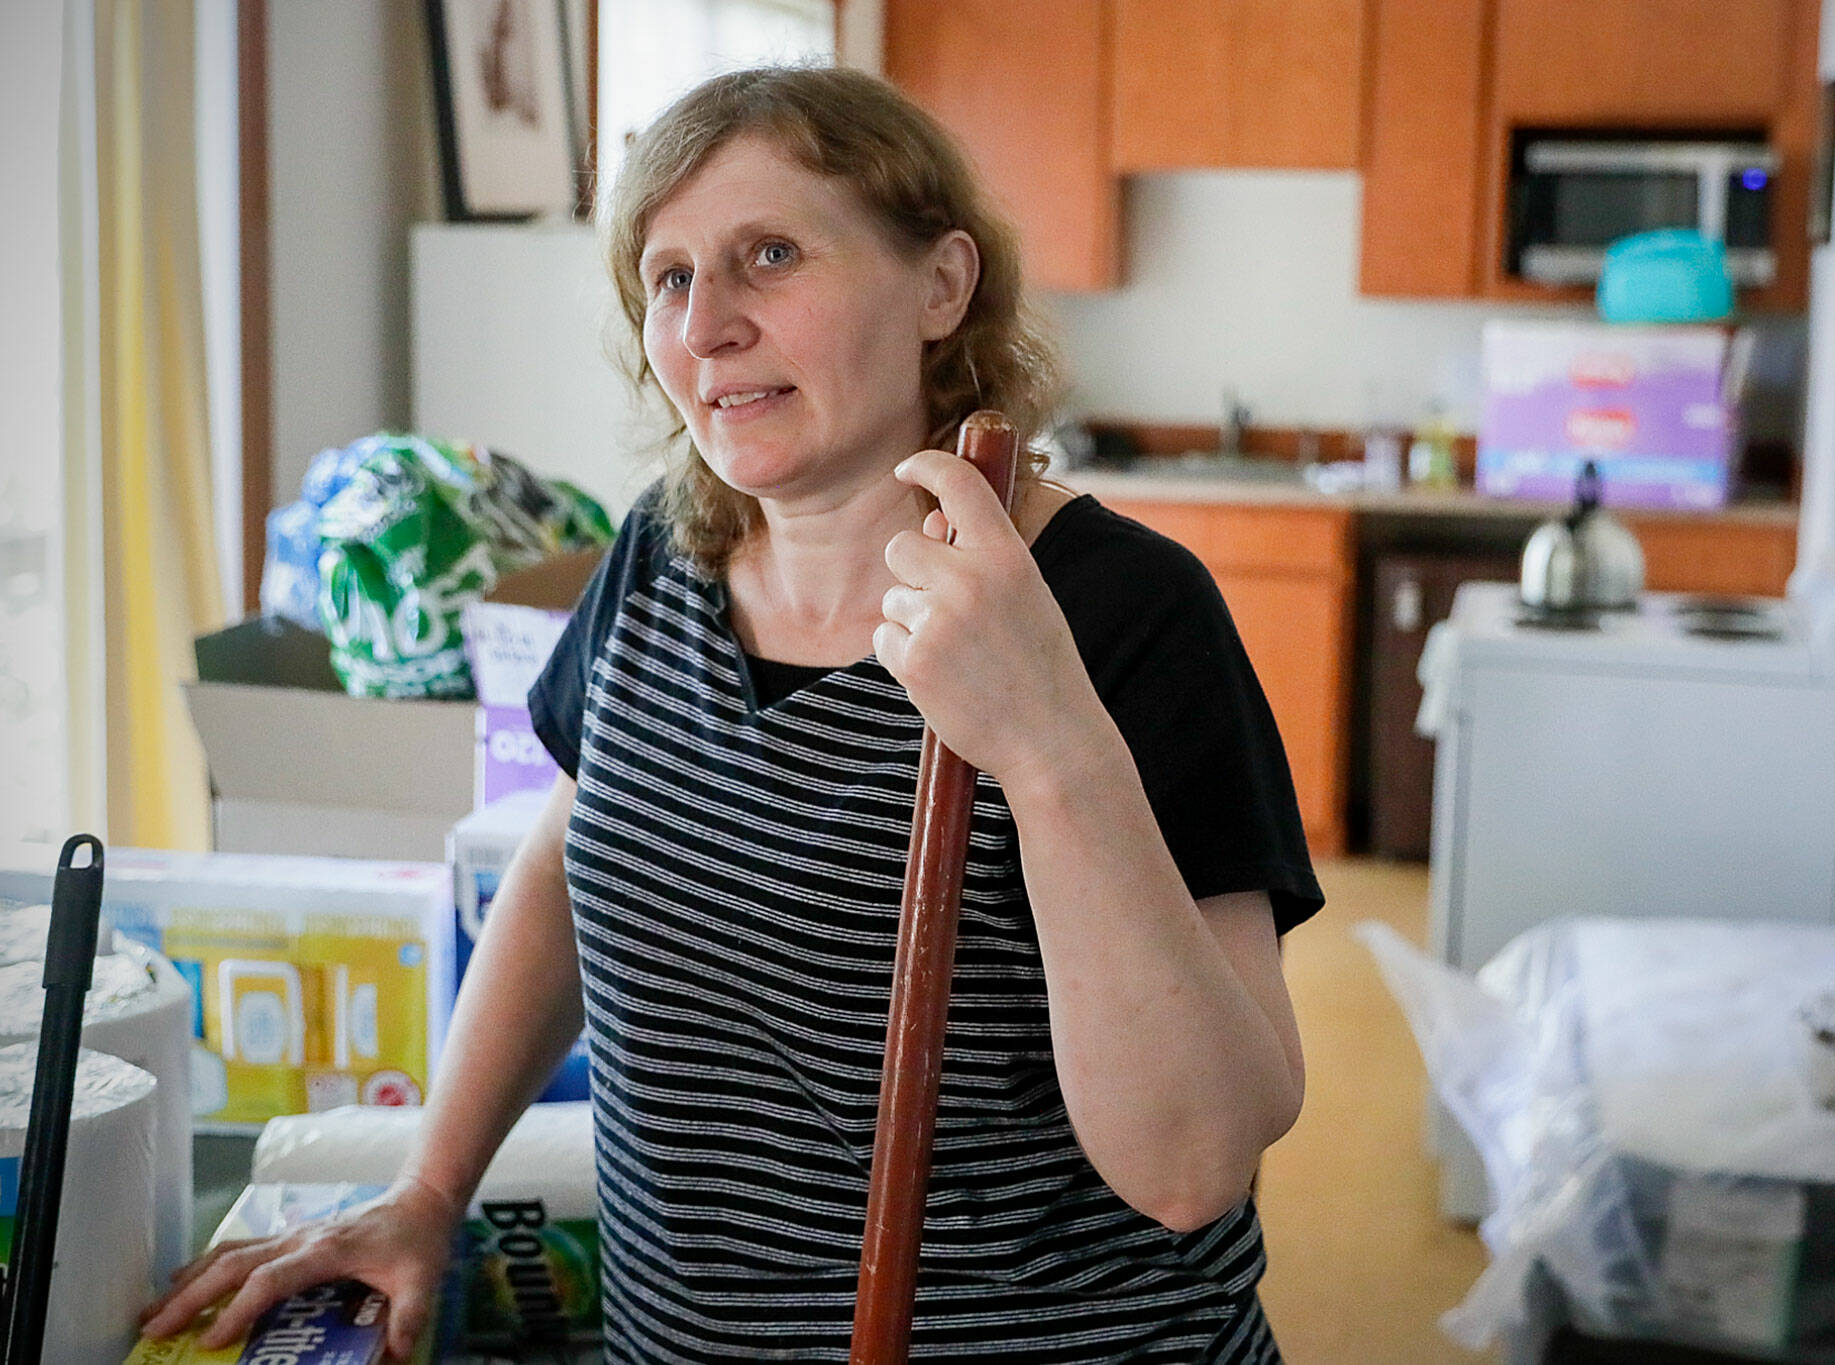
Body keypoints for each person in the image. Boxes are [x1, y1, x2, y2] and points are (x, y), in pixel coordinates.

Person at [142, 65, 1322, 1362]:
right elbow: (566, 862)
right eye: (669, 277)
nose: (707, 327)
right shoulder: (659, 558)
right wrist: (429, 1188)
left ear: (942, 285)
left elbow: (1195, 1161)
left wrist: (1050, 746)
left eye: (769, 255)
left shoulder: (1118, 610)